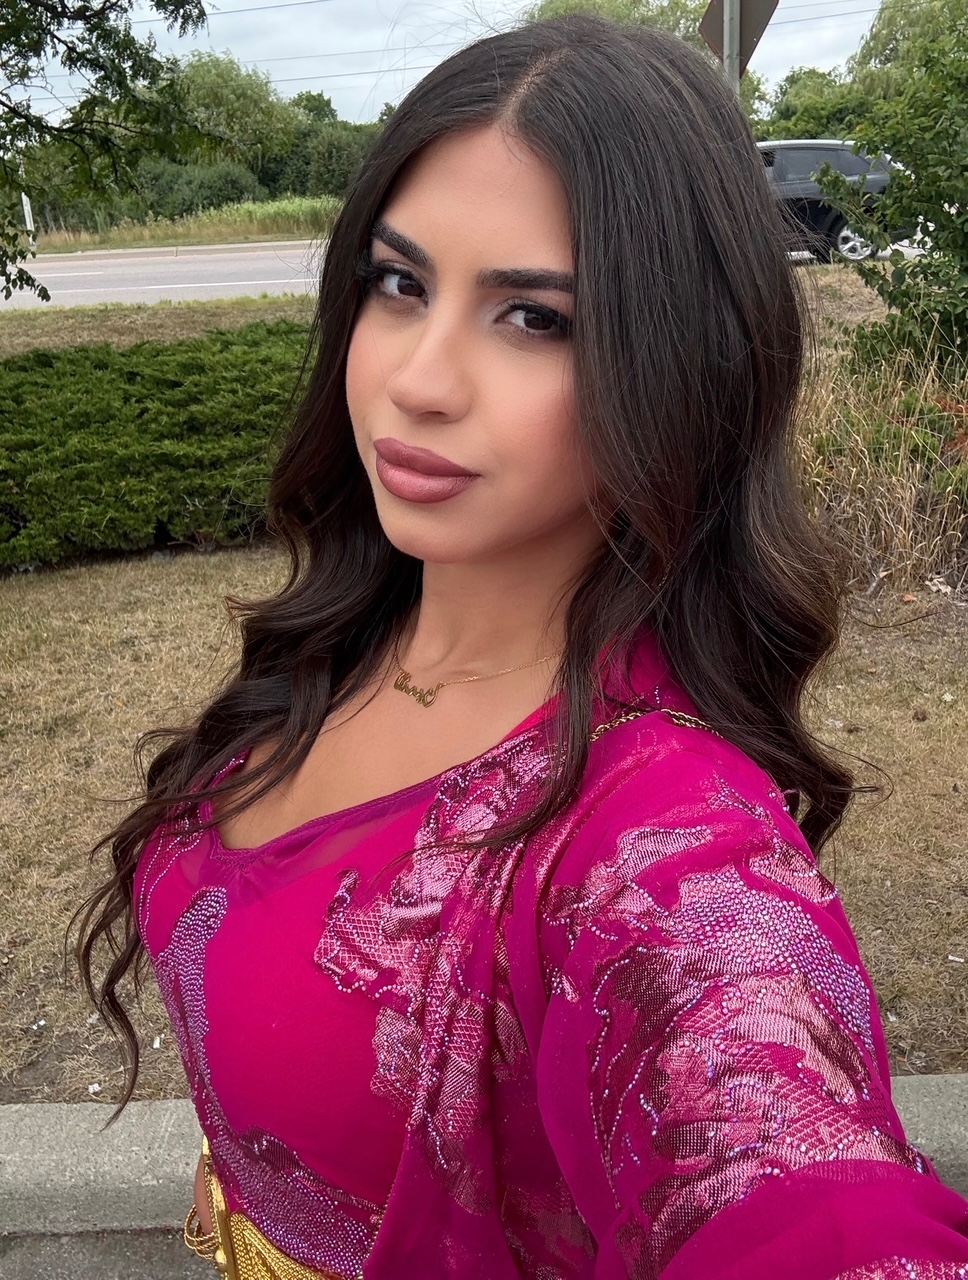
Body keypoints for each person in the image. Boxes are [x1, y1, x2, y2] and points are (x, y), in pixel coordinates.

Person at [76, 14, 968, 1280]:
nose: (418, 379)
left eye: (533, 318)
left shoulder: (656, 840)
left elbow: (795, 1185)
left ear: (681, 364)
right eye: (399, 284)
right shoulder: (350, 626)